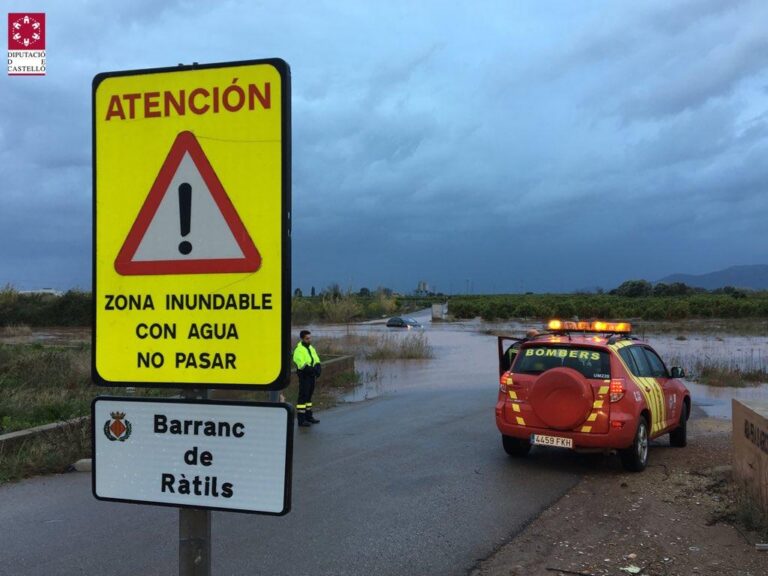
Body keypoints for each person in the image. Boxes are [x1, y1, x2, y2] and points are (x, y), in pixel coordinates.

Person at [293, 330, 322, 427]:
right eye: (307, 338)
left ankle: (309, 417)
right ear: (302, 338)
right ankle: (301, 420)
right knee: (303, 397)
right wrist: (313, 370)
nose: (309, 340)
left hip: (311, 376)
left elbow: (316, 359)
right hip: (304, 375)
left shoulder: (311, 348)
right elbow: (301, 364)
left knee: (309, 397)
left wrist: (318, 368)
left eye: (310, 338)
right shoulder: (299, 350)